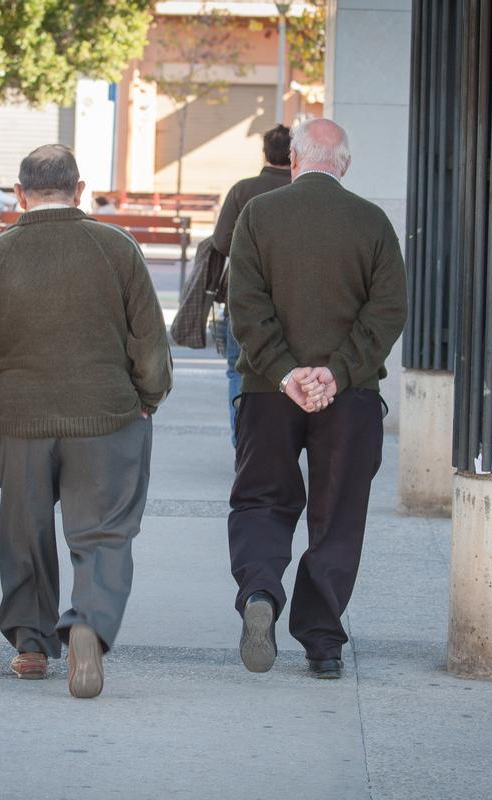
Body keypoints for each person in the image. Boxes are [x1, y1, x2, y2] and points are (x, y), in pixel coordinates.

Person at [0, 144, 173, 698]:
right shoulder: (116, 249)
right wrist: (149, 396)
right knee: (103, 534)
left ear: (21, 193)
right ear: (79, 190)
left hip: (19, 421)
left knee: (24, 532)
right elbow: (149, 340)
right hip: (106, 417)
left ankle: (30, 647)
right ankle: (87, 625)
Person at [227, 118, 407, 680]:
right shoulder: (372, 221)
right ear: (345, 165)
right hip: (349, 400)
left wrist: (285, 374)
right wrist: (337, 372)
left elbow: (245, 306)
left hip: (267, 393)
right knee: (338, 516)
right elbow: (388, 309)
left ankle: (260, 592)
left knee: (262, 500)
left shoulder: (258, 215)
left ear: (295, 160)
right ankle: (322, 640)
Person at [212, 124, 293, 445]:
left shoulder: (243, 190)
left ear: (265, 152)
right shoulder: (302, 190)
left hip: (243, 294)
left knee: (238, 370)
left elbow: (220, 241)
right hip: (291, 295)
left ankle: (242, 441)